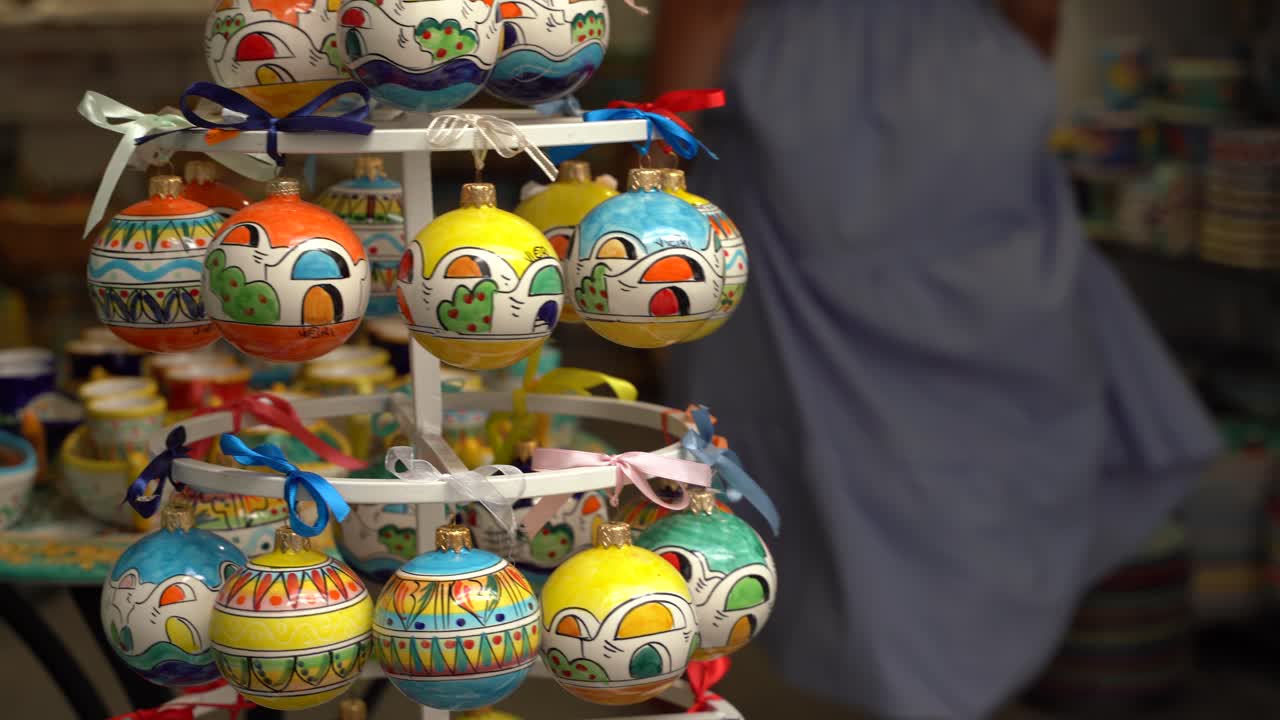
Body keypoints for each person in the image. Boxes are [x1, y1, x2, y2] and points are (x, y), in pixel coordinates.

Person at [654, 2, 1220, 718]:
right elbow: (1039, 11)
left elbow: (709, 9)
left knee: (829, 428)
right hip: (965, 81)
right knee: (983, 422)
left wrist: (647, 168)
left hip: (810, 100)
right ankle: (954, 673)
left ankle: (908, 679)